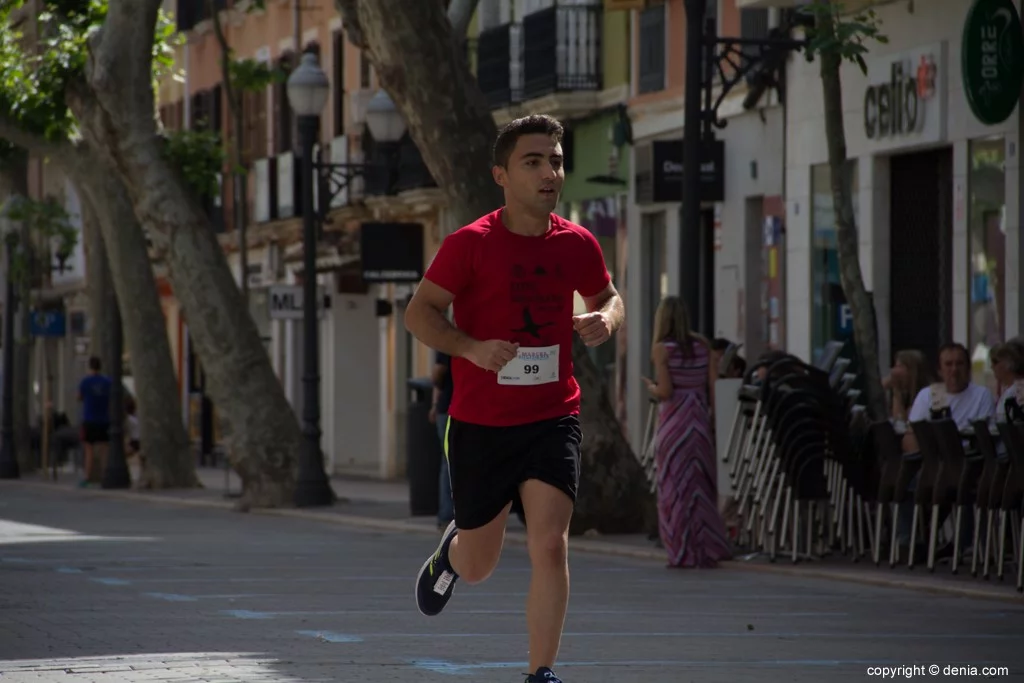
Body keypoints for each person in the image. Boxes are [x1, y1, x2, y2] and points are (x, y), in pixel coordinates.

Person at [403, 114, 623, 683]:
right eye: (534, 161)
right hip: (480, 422)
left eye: (555, 160)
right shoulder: (469, 244)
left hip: (554, 416)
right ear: (501, 174)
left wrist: (607, 318)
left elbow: (609, 295)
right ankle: (451, 555)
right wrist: (470, 348)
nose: (550, 171)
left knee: (550, 543)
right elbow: (419, 313)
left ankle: (539, 673)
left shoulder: (577, 242)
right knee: (480, 565)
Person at [643, 296, 732, 568]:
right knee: (701, 485)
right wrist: (713, 420)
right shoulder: (703, 347)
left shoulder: (662, 349)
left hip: (674, 422)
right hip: (699, 421)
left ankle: (680, 550)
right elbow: (714, 386)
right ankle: (706, 547)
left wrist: (652, 389)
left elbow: (667, 391)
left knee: (674, 487)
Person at [429, 350, 455, 531]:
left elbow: (437, 375)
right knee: (450, 463)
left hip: (448, 408)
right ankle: (447, 514)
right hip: (451, 409)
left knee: (448, 463)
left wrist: (434, 406)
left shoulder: (449, 341)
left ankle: (447, 516)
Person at [78, 356, 112, 487]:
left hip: (90, 419)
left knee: (89, 450)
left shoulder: (85, 382)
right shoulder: (107, 382)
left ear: (90, 367)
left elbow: (79, 397)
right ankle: (105, 475)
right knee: (104, 449)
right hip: (104, 419)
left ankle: (87, 477)